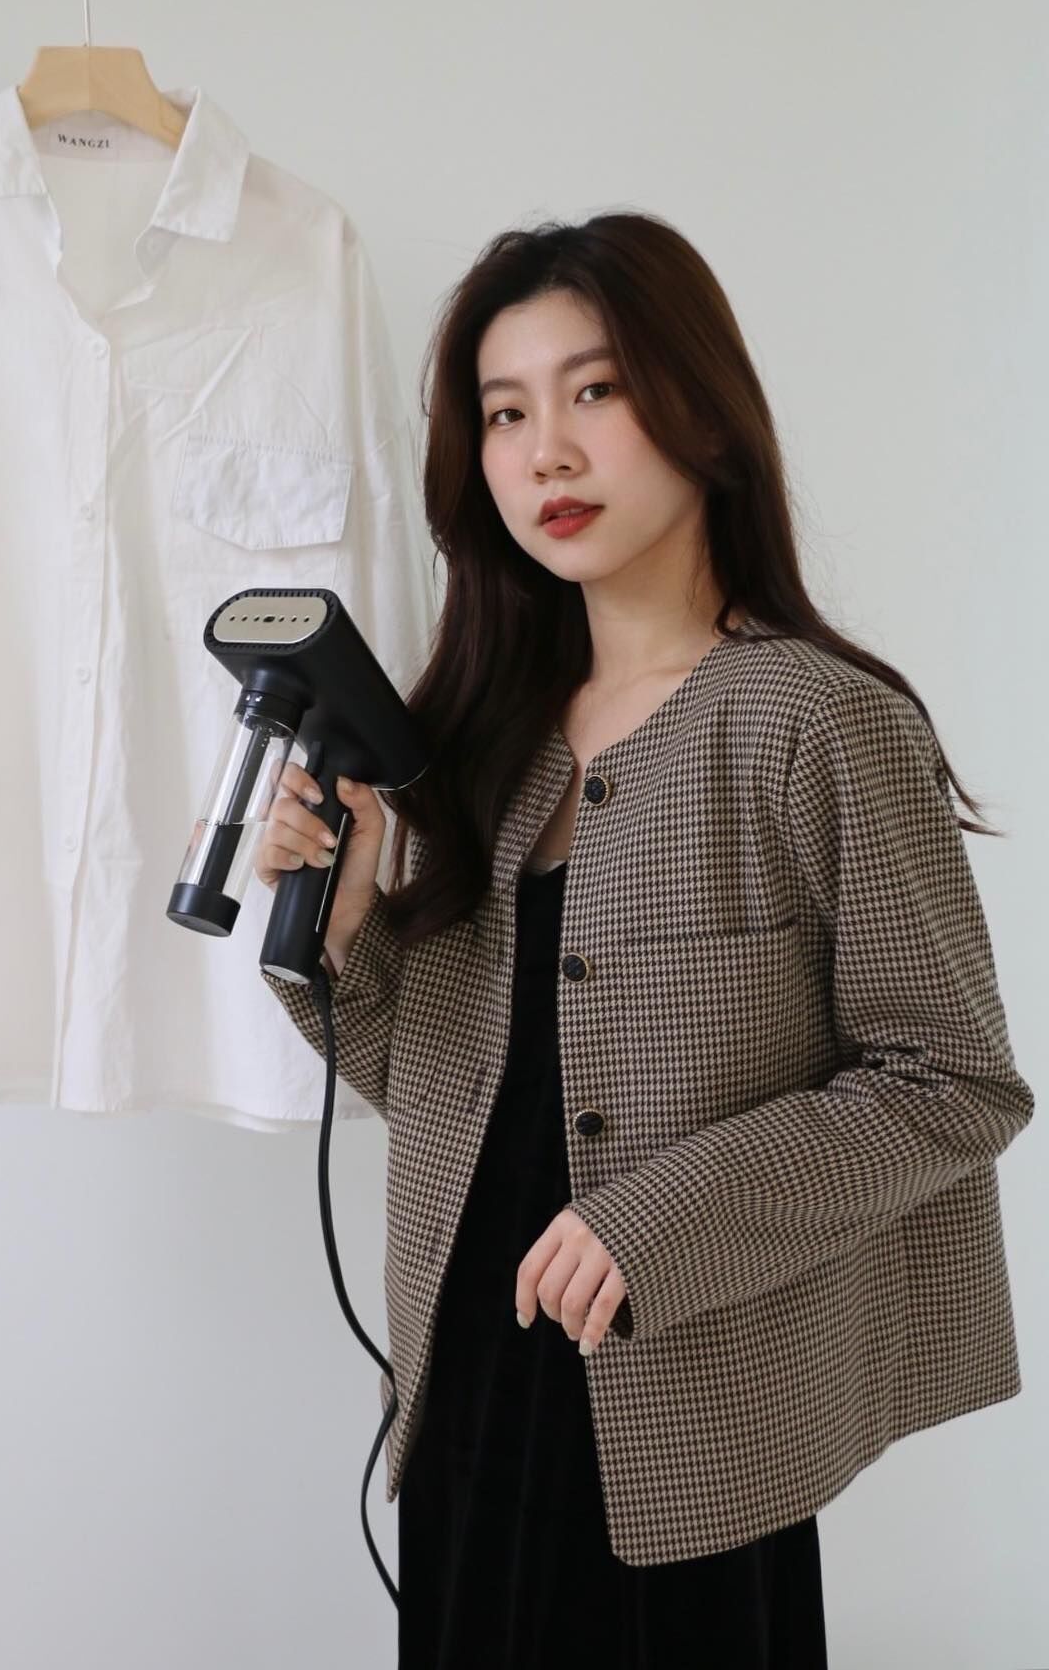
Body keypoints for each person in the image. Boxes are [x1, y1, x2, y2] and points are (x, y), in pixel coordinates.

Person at [254, 214, 1032, 1668]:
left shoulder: (817, 723)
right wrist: (346, 935)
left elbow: (953, 1085)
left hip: (690, 1418)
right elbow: (438, 1091)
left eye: (594, 391)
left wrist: (654, 1221)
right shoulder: (482, 743)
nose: (546, 452)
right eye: (505, 413)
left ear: (705, 414)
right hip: (467, 1389)